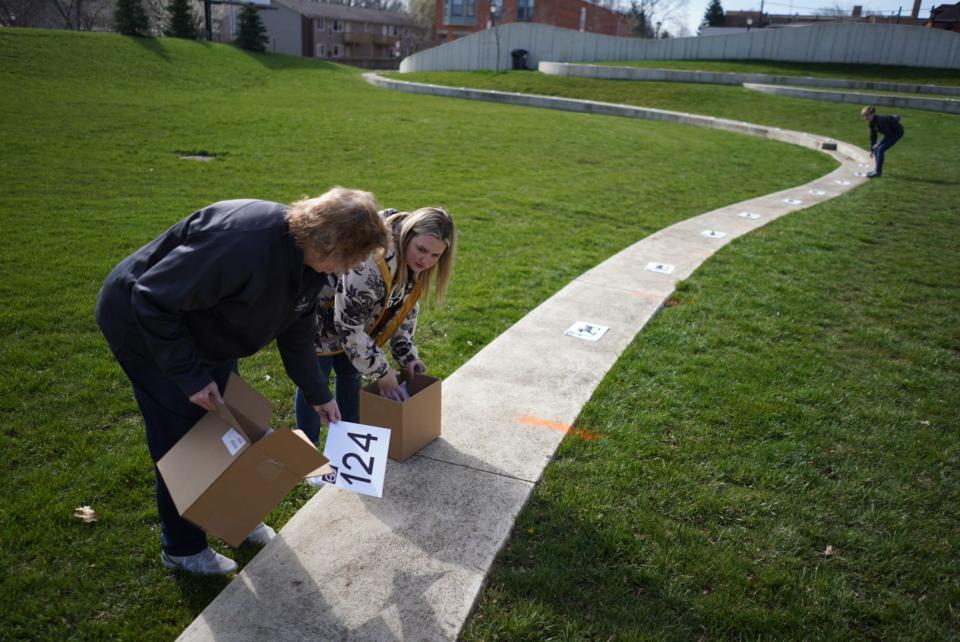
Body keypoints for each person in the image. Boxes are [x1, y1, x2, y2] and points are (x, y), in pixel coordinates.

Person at [95, 187, 390, 575]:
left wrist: (318, 393)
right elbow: (152, 298)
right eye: (346, 260)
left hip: (206, 332)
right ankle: (182, 548)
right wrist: (189, 377)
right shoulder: (241, 243)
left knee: (230, 426)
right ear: (327, 241)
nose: (344, 270)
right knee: (186, 441)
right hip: (146, 329)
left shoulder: (308, 260)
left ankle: (237, 514)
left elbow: (299, 329)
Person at [294, 207, 456, 452]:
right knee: (315, 382)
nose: (426, 260)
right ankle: (306, 451)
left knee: (350, 374)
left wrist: (407, 356)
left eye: (435, 255)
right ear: (408, 235)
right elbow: (348, 326)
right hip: (318, 314)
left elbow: (401, 308)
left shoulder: (413, 262)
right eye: (421, 249)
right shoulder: (372, 260)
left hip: (354, 323)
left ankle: (349, 445)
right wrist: (382, 372)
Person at [861, 105, 904, 178]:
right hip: (890, 133)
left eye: (866, 115)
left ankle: (878, 172)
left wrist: (878, 144)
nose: (865, 118)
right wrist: (872, 149)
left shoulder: (880, 121)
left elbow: (888, 135)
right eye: (864, 116)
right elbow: (873, 136)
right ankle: (876, 170)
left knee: (880, 149)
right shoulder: (872, 123)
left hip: (897, 133)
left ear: (872, 114)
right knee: (876, 149)